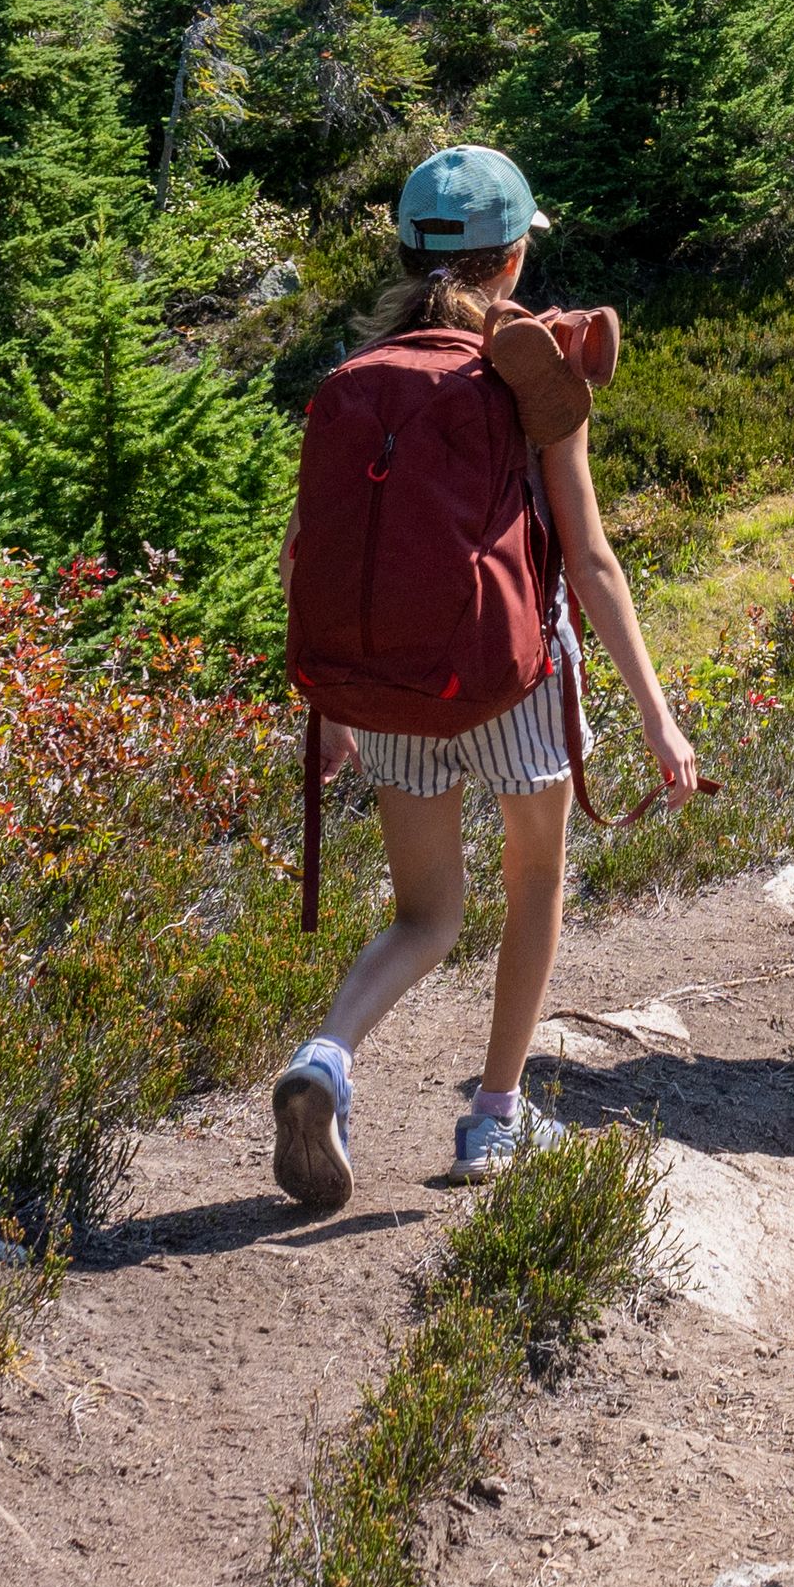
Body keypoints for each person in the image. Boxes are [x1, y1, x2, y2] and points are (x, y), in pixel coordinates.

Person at [267, 144, 703, 1212]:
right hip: (514, 678)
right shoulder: (528, 371)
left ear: (408, 252)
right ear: (512, 262)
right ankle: (495, 1119)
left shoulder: (356, 382)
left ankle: (326, 1056)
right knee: (532, 889)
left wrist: (325, 716)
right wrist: (659, 717)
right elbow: (590, 558)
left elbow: (307, 556)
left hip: (391, 689)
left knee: (426, 915)